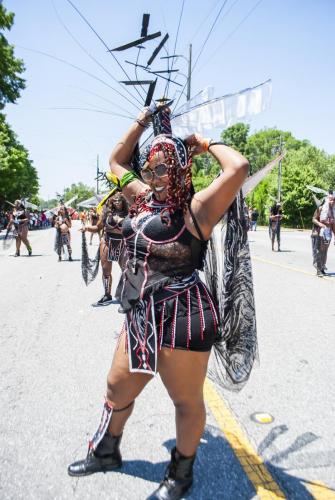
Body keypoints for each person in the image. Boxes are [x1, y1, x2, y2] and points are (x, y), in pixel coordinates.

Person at [67, 105, 249, 500]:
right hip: (140, 314)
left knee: (185, 401)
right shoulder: (142, 197)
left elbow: (238, 167)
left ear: (181, 170)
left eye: (163, 168)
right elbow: (116, 160)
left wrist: (202, 142)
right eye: (149, 169)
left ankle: (180, 474)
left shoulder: (197, 209)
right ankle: (107, 450)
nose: (153, 176)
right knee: (117, 389)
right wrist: (143, 119)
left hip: (184, 315)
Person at [82, 194, 128, 306]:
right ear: (112, 202)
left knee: (126, 270)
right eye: (115, 200)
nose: (117, 202)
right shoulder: (107, 214)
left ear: (123, 202)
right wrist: (87, 228)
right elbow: (98, 228)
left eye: (119, 200)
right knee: (106, 270)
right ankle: (107, 295)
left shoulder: (129, 214)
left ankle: (128, 294)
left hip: (122, 243)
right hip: (107, 242)